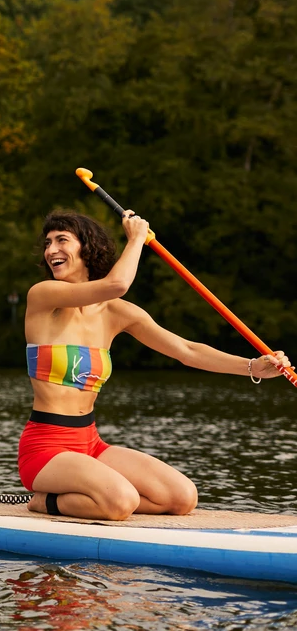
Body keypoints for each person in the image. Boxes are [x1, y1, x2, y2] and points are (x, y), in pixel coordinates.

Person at [20, 209, 290, 521]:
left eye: (62, 240)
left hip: (90, 443)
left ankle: (93, 496)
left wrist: (252, 367)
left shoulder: (117, 313)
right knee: (120, 501)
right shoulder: (43, 296)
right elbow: (118, 283)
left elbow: (186, 350)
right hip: (45, 449)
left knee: (182, 498)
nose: (51, 249)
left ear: (87, 248)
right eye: (48, 243)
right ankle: (45, 501)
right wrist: (136, 239)